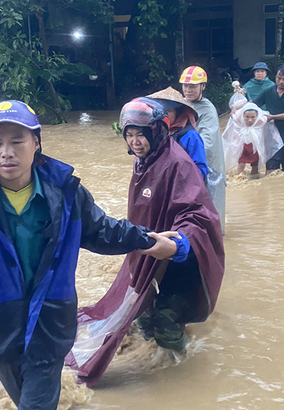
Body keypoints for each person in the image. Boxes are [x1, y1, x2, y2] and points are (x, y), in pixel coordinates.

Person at [0, 100, 180, 410]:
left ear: (36, 143)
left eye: (17, 141)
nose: (6, 151)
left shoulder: (66, 194)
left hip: (49, 327)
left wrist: (147, 240)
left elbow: (102, 230)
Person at [65, 98, 225, 386]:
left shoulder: (176, 162)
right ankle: (154, 358)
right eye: (129, 134)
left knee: (166, 320)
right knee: (142, 316)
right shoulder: (146, 160)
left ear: (157, 132)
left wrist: (179, 246)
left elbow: (196, 213)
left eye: (141, 134)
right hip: (150, 253)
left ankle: (179, 377)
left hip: (179, 261)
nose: (135, 141)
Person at [179, 66, 226, 233]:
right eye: (185, 85)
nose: (188, 89)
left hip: (207, 166)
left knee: (209, 209)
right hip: (188, 163)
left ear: (202, 87)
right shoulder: (181, 105)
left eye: (193, 86)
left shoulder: (207, 109)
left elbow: (207, 141)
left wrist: (180, 156)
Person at [147, 86, 208, 180]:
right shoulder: (155, 133)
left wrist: (177, 179)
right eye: (160, 110)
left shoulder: (191, 136)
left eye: (169, 111)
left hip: (181, 188)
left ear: (178, 113)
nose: (164, 115)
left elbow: (201, 170)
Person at [251, 64, 284, 174]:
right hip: (272, 134)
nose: (281, 82)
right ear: (275, 77)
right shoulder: (268, 91)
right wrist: (238, 108)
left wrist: (272, 117)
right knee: (271, 169)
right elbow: (252, 104)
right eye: (279, 78)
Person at [222, 102, 283, 178]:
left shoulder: (260, 120)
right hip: (242, 146)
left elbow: (269, 118)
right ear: (242, 115)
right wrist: (235, 109)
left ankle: (254, 178)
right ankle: (239, 178)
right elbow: (232, 116)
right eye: (247, 117)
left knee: (255, 165)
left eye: (253, 117)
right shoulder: (238, 120)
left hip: (255, 147)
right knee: (241, 163)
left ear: (257, 116)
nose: (250, 120)